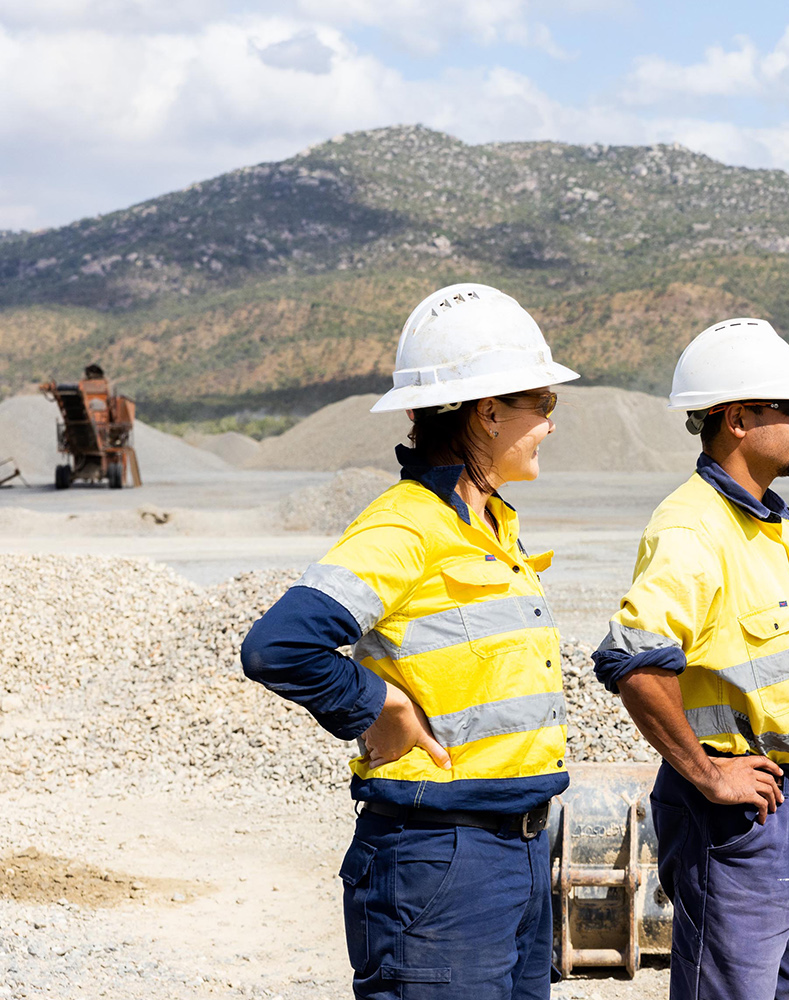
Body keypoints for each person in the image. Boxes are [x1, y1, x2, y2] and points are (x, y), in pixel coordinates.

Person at [240, 282, 581, 999]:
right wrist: (379, 705)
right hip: (440, 861)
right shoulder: (406, 525)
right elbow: (279, 645)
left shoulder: (489, 528)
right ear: (488, 412)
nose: (552, 422)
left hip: (518, 851)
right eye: (542, 404)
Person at [592, 317, 789, 1000]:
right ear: (736, 418)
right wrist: (707, 775)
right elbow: (634, 663)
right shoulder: (691, 528)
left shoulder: (767, 521)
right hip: (737, 822)